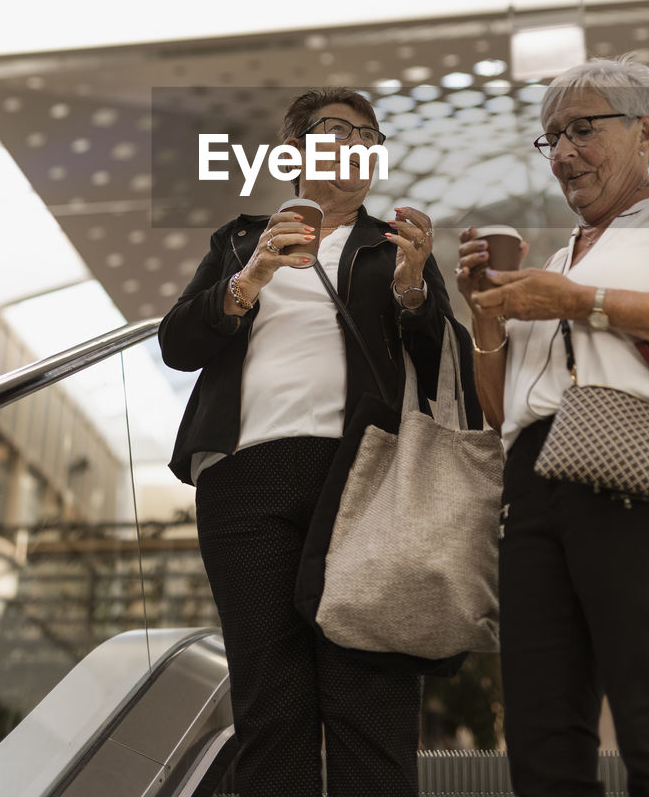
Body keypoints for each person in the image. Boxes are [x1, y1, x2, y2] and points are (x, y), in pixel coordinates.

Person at [160, 86, 480, 797]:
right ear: (293, 152)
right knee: (270, 702)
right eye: (338, 129)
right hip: (244, 478)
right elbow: (178, 344)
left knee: (369, 701)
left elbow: (446, 366)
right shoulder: (243, 240)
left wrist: (414, 296)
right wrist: (247, 282)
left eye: (370, 135)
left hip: (364, 476)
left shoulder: (393, 246)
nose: (359, 143)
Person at [455, 56, 649, 797]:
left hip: (629, 468)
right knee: (541, 741)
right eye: (551, 137)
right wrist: (486, 311)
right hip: (529, 492)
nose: (563, 153)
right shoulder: (559, 260)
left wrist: (579, 302)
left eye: (582, 130)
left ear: (644, 131)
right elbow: (500, 413)